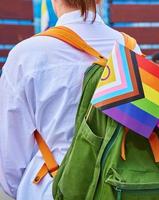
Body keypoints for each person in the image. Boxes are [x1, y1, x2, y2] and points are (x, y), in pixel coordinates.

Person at [0, 0, 140, 199]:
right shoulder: (131, 48)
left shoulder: (26, 54)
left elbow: (9, 159)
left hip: (51, 185)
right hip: (118, 185)